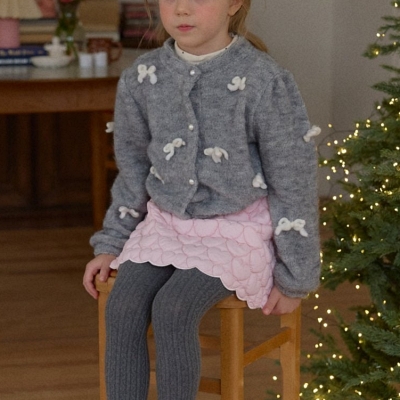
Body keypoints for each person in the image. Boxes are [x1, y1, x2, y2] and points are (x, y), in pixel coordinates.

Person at [83, 0, 321, 398]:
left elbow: (292, 178)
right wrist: (112, 242)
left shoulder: (264, 79)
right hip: (165, 225)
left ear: (233, 4)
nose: (182, 9)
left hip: (237, 230)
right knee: (122, 307)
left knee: (174, 309)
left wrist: (296, 275)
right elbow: (134, 170)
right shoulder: (142, 78)